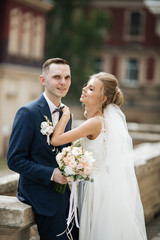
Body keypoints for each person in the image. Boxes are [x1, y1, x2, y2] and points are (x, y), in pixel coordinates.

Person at [50, 72, 148, 240]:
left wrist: (65, 115)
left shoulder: (95, 122)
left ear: (103, 99)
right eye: (87, 86)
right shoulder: (99, 121)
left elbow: (56, 140)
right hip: (100, 185)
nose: (84, 89)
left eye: (91, 88)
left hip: (95, 191)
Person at [7, 58, 79, 240]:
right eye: (56, 77)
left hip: (66, 198)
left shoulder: (67, 115)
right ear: (43, 80)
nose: (63, 82)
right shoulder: (28, 112)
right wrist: (51, 174)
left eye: (67, 77)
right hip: (38, 195)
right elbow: (14, 160)